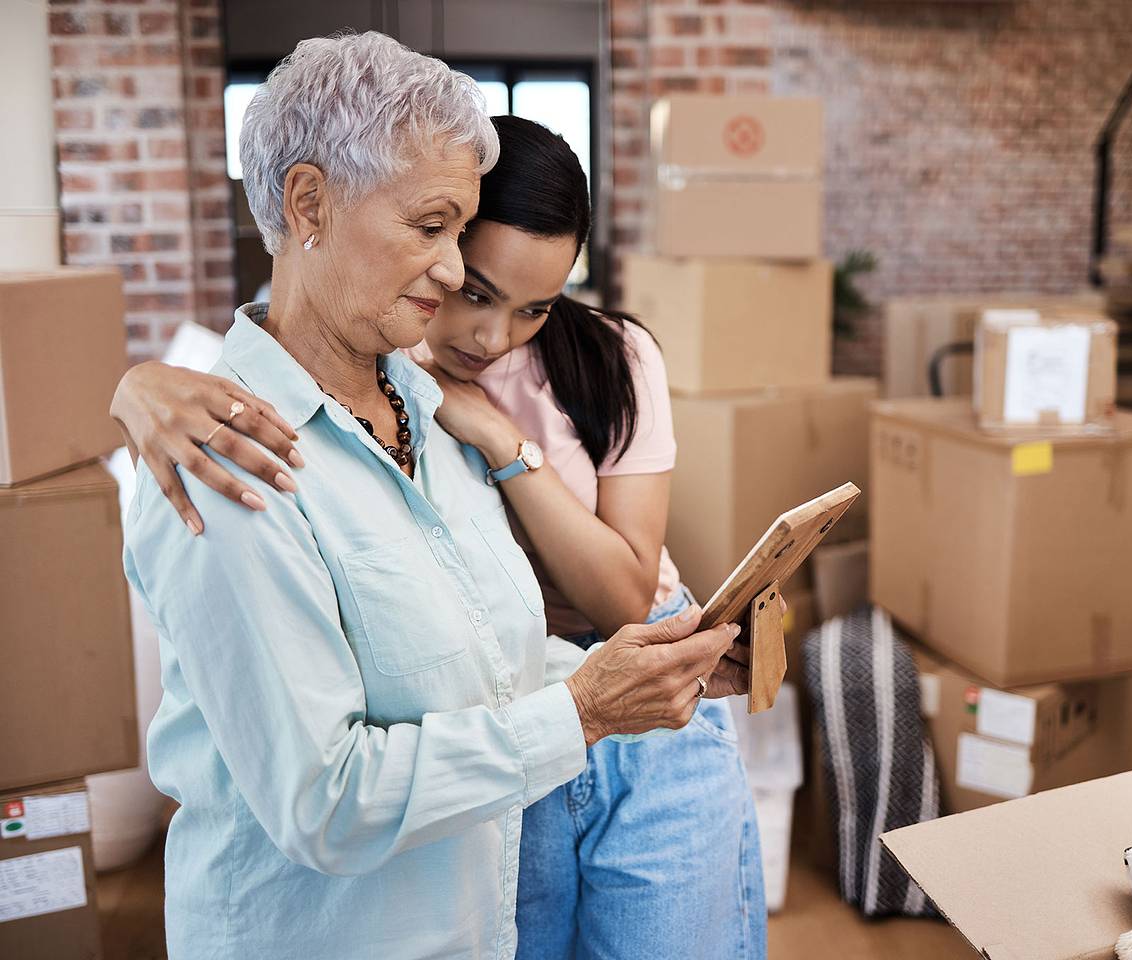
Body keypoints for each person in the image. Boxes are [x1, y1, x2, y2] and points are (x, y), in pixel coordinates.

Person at [116, 32, 744, 960]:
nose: (453, 273)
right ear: (308, 204)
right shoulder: (229, 456)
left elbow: (482, 663)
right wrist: (584, 710)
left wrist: (638, 674)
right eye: (430, 227)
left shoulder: (423, 410)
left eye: (461, 233)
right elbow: (326, 801)